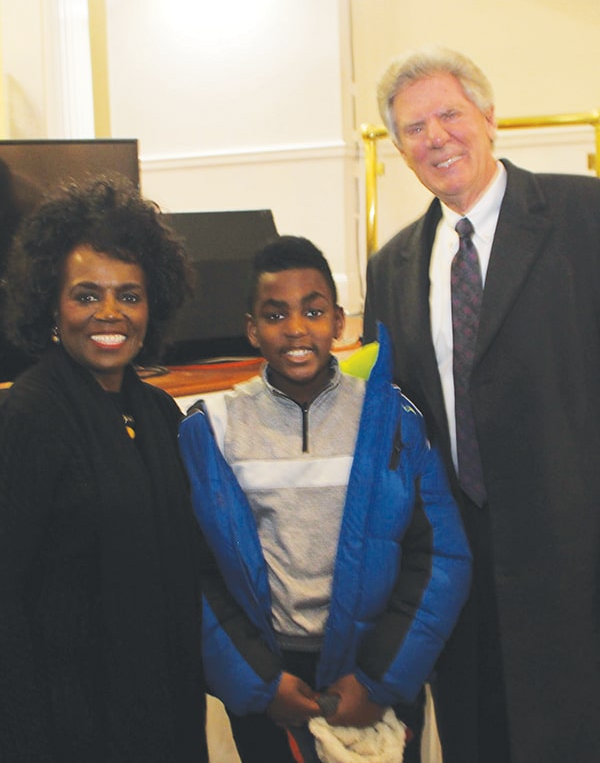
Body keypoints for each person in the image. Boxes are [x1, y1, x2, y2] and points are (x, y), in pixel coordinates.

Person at [363, 45, 600, 763]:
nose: (435, 137)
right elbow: (396, 420)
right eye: (414, 128)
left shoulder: (583, 214)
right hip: (456, 566)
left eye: (449, 115)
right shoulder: (392, 266)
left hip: (574, 552)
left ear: (489, 117)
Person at [178, 235, 471, 763]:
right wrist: (260, 682)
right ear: (252, 329)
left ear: (338, 322)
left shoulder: (391, 419)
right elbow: (193, 572)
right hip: (274, 674)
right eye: (275, 315)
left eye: (313, 311)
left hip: (373, 665)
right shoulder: (214, 428)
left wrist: (379, 679)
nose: (296, 328)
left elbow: (441, 556)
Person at [0, 177, 209, 762]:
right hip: (69, 728)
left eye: (129, 296)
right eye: (87, 295)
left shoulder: (159, 412)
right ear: (51, 304)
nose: (110, 313)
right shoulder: (31, 414)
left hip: (165, 710)